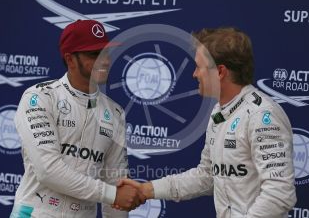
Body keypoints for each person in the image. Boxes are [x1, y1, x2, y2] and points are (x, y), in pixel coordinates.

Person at [116, 27, 297, 217]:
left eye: (199, 67)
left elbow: (280, 193)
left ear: (220, 72)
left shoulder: (262, 115)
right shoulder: (219, 112)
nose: (194, 74)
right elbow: (206, 176)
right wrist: (146, 190)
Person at [10, 20, 144, 218]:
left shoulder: (115, 113)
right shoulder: (39, 98)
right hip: (34, 213)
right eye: (94, 54)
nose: (105, 61)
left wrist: (116, 194)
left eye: (105, 52)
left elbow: (114, 180)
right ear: (70, 60)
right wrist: (112, 194)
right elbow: (48, 170)